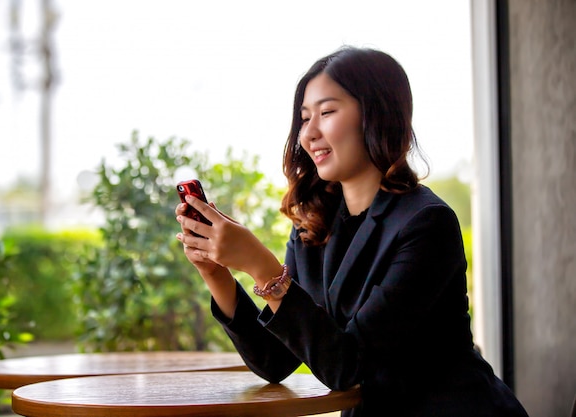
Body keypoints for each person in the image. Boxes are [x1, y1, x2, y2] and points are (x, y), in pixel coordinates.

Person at [175, 46, 529, 417]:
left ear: (377, 116)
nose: (308, 133)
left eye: (327, 112)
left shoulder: (427, 224)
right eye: (304, 118)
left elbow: (347, 365)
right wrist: (216, 272)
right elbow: (273, 361)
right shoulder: (313, 231)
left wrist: (262, 267)